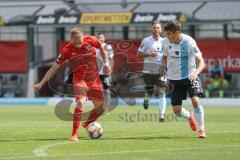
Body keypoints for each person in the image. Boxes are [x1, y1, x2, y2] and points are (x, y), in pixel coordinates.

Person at [33, 28, 110, 141]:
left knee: (101, 109)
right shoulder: (67, 50)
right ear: (71, 39)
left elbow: (102, 49)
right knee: (80, 102)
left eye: (80, 41)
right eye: (75, 41)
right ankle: (74, 134)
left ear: (83, 37)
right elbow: (54, 68)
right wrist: (41, 83)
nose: (78, 44)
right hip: (80, 81)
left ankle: (87, 124)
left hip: (94, 80)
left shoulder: (91, 40)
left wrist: (106, 64)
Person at [160, 20, 206, 138]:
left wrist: (196, 73)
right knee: (176, 111)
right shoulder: (165, 42)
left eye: (169, 34)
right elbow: (164, 57)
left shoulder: (189, 42)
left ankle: (201, 130)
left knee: (195, 100)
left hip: (190, 76)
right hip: (173, 79)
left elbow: (201, 63)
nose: (167, 36)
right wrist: (163, 68)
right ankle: (190, 117)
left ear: (177, 32)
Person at [137, 20, 167, 122]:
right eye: (154, 27)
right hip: (148, 71)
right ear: (152, 29)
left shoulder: (165, 41)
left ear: (161, 29)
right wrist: (149, 54)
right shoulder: (146, 41)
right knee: (150, 92)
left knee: (162, 91)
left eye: (158, 28)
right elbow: (139, 53)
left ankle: (161, 115)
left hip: (161, 71)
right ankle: (146, 100)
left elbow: (168, 55)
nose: (156, 29)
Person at [96, 32, 114, 113]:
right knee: (97, 91)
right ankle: (99, 108)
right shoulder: (94, 47)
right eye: (98, 37)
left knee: (106, 90)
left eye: (101, 37)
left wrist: (110, 68)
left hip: (105, 73)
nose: (100, 38)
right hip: (96, 73)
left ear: (104, 39)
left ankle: (106, 109)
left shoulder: (108, 47)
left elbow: (111, 59)